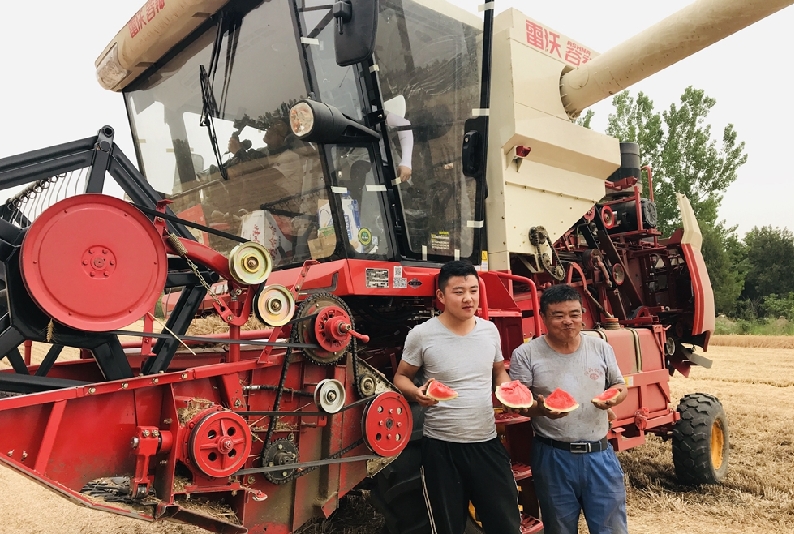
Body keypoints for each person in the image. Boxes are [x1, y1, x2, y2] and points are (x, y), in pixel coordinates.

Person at [393, 260, 521, 534]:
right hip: (441, 449)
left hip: (486, 444)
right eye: (459, 291)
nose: (469, 298)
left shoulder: (489, 331)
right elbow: (400, 377)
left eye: (474, 290)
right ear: (441, 296)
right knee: (447, 527)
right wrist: (417, 393)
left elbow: (499, 371)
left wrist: (507, 390)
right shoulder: (422, 335)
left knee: (506, 524)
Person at [508, 284, 629, 534]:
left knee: (612, 529)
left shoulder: (601, 348)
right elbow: (519, 404)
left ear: (582, 314)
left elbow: (618, 384)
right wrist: (542, 410)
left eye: (574, 314)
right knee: (560, 529)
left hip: (600, 454)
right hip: (553, 456)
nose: (568, 321)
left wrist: (615, 398)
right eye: (558, 315)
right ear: (543, 317)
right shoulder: (526, 354)